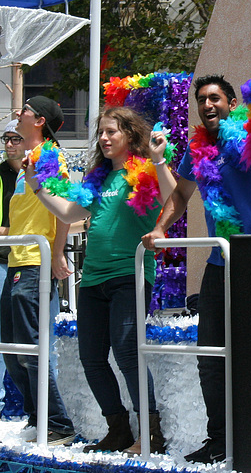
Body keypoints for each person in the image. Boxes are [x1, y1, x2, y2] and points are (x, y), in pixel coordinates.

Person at [142, 73, 251, 464]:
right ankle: (220, 438)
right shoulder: (197, 148)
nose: (207, 105)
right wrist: (159, 227)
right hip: (220, 261)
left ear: (231, 104)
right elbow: (182, 194)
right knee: (210, 355)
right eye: (201, 100)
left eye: (215, 98)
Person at [23, 106, 176, 454]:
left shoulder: (147, 169)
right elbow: (70, 213)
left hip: (130, 274)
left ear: (129, 135)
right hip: (92, 279)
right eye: (102, 133)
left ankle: (152, 433)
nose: (104, 139)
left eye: (112, 132)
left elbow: (174, 197)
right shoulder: (99, 176)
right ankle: (118, 428)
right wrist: (37, 189)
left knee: (126, 351)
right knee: (91, 356)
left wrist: (160, 161)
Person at [0, 96, 75, 445]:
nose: (18, 114)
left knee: (29, 347)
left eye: (25, 110)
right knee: (11, 349)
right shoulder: (25, 164)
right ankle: (39, 416)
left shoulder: (49, 157)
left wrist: (58, 251)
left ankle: (58, 422)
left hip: (34, 262)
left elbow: (63, 210)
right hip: (17, 260)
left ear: (39, 120)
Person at [0, 120, 24, 415]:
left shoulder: (44, 171)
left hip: (33, 263)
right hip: (4, 260)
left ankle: (42, 411)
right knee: (5, 339)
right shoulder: (1, 174)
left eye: (15, 138)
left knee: (35, 342)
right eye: (6, 139)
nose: (9, 145)